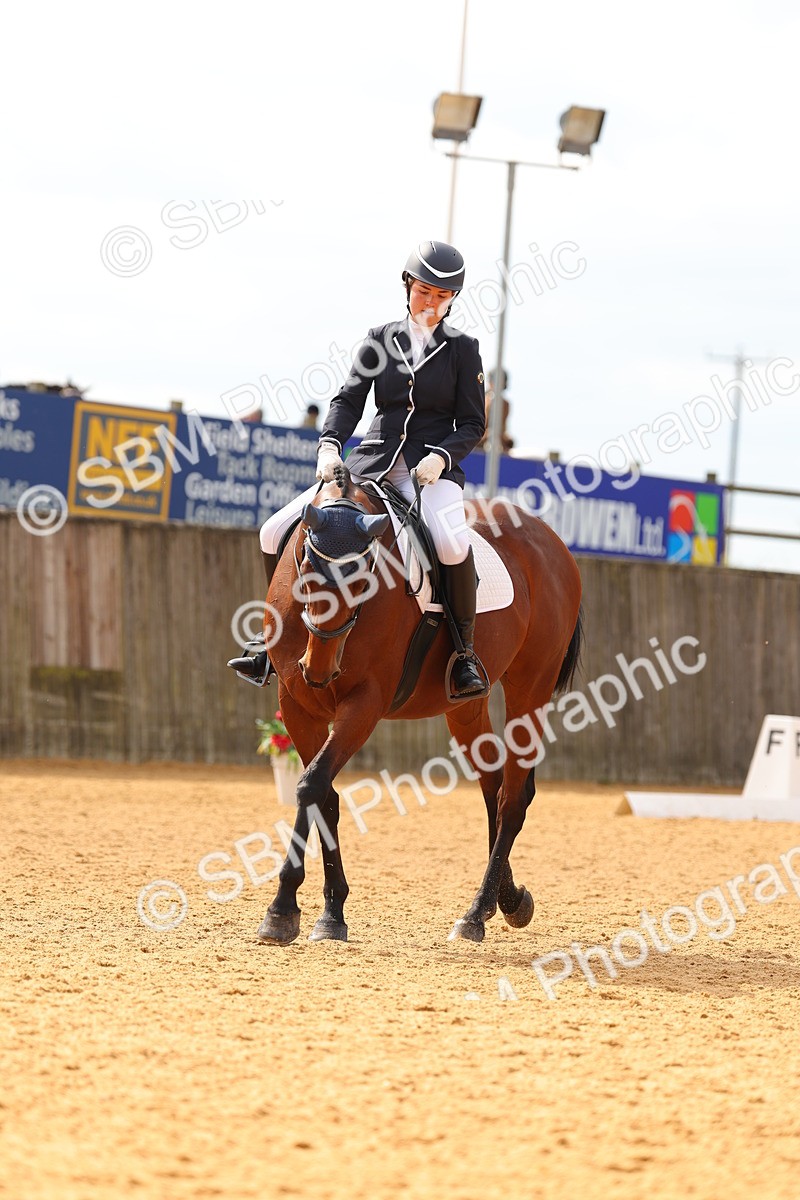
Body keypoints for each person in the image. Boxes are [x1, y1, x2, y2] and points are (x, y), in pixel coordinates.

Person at [228, 240, 489, 698]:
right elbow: (349, 399)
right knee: (273, 530)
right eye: (424, 292)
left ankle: (464, 655)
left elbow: (472, 421)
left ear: (452, 301)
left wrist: (443, 456)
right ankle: (273, 638)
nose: (431, 303)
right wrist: (330, 446)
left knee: (449, 543)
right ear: (408, 287)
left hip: (430, 469)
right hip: (368, 462)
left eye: (441, 297)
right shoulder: (379, 339)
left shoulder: (463, 350)